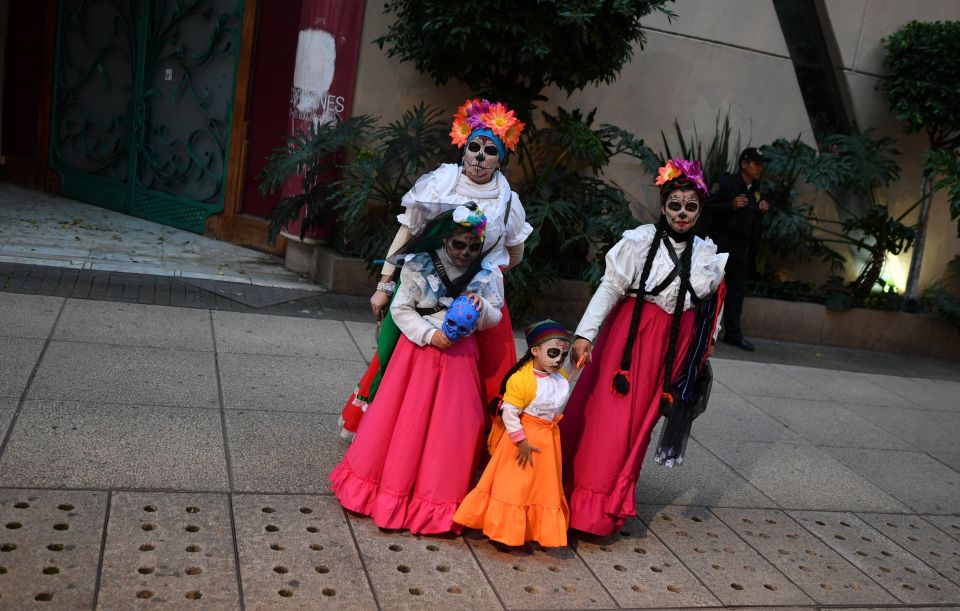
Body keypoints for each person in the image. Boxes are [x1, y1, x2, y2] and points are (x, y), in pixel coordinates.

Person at [339, 99, 532, 440]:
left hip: (477, 295)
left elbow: (513, 254)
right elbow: (407, 232)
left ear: (501, 157)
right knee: (395, 358)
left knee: (485, 374)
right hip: (425, 286)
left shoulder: (507, 200)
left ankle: (463, 443)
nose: (480, 157)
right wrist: (385, 284)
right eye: (474, 147)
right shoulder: (440, 182)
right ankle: (388, 434)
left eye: (491, 150)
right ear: (464, 148)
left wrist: (486, 278)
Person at [562, 159, 727, 537]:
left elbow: (711, 304)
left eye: (690, 207)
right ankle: (584, 504)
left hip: (675, 346)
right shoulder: (637, 243)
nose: (682, 214)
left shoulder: (706, 254)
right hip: (631, 338)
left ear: (700, 210)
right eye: (675, 205)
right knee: (610, 420)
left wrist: (708, 344)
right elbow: (610, 287)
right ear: (663, 205)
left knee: (641, 424)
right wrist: (586, 333)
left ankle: (613, 501)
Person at [329, 205, 503, 535]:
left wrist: (483, 311)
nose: (466, 253)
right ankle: (386, 493)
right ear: (445, 239)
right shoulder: (419, 265)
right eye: (458, 245)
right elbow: (401, 310)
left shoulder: (487, 274)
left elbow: (495, 316)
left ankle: (436, 502)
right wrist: (429, 335)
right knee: (404, 421)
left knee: (454, 426)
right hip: (418, 354)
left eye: (473, 246)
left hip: (460, 357)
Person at [454, 320, 573, 548]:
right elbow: (510, 413)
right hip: (523, 440)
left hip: (548, 441)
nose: (558, 359)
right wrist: (521, 442)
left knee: (541, 487)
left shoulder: (560, 378)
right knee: (515, 485)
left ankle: (532, 529)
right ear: (535, 351)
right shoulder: (522, 380)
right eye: (554, 352)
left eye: (563, 355)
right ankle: (503, 531)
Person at [705, 146, 770, 352]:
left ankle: (733, 334)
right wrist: (730, 205)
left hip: (742, 249)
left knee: (737, 292)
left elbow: (752, 220)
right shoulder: (726, 183)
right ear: (744, 164)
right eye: (756, 163)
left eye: (761, 164)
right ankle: (704, 329)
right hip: (722, 246)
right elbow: (708, 206)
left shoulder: (757, 190)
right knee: (712, 288)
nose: (759, 168)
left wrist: (762, 211)